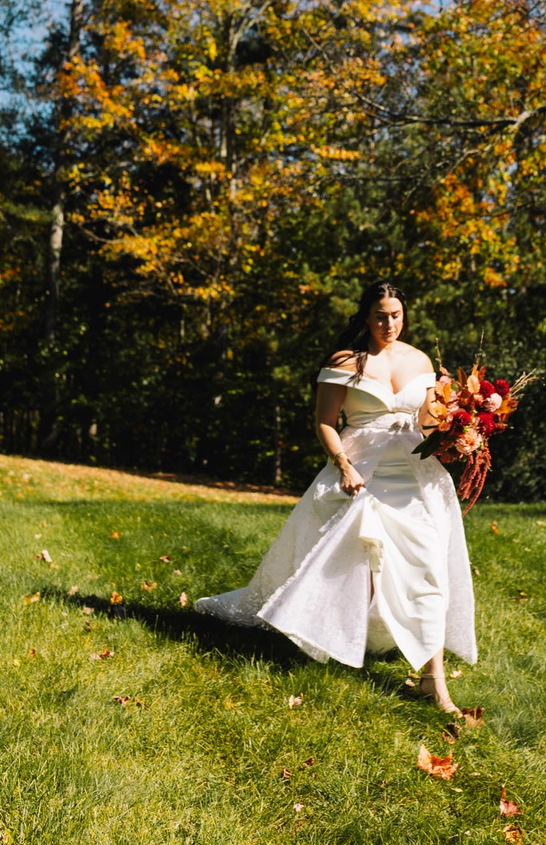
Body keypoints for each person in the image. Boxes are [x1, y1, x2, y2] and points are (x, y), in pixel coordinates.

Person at [194, 281, 476, 712]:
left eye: (396, 315)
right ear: (366, 315)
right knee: (356, 568)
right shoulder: (346, 361)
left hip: (415, 476)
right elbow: (325, 421)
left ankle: (432, 683)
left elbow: (428, 424)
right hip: (363, 472)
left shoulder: (420, 359)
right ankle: (343, 636)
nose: (389, 324)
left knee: (430, 571)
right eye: (381, 315)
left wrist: (458, 438)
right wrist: (343, 466)